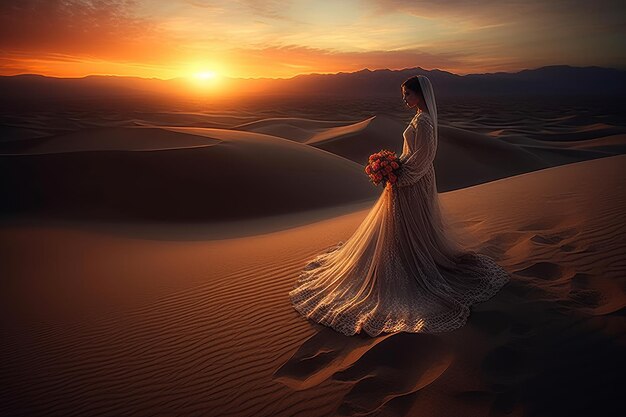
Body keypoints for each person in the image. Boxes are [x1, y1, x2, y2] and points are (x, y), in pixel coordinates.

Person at [289, 75, 510, 337]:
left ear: (420, 94)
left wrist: (399, 175)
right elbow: (413, 154)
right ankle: (403, 257)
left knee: (411, 223)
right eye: (403, 94)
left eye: (408, 94)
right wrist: (393, 166)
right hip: (407, 178)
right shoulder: (420, 117)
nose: (404, 99)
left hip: (414, 182)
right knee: (400, 224)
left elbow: (425, 158)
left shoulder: (426, 122)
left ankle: (412, 266)